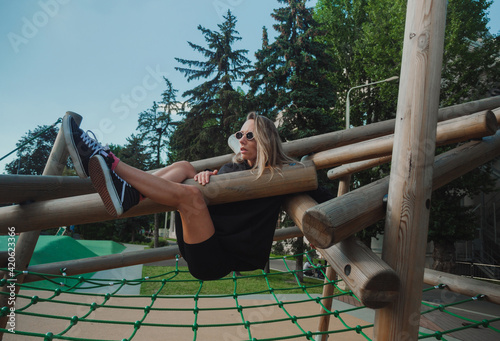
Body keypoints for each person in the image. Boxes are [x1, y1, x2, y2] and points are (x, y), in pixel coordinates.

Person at [63, 112, 297, 280]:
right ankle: (129, 191)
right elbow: (215, 202)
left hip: (218, 260)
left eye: (250, 135)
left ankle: (112, 163)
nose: (241, 140)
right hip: (203, 240)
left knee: (191, 196)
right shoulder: (231, 169)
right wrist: (207, 178)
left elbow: (320, 192)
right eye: (240, 134)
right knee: (185, 167)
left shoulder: (284, 175)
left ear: (266, 140)